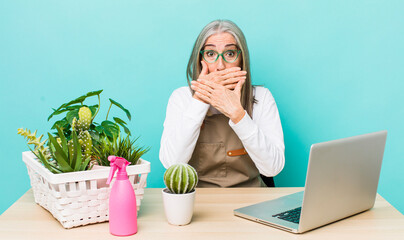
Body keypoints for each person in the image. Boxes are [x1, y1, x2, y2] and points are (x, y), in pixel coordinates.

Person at [159, 20, 285, 187]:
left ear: (242, 60)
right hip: (199, 201)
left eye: (230, 54)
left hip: (253, 199)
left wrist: (238, 114)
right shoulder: (181, 98)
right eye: (211, 54)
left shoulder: (262, 97)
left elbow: (273, 168)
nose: (220, 66)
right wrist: (201, 100)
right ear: (199, 60)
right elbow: (172, 164)